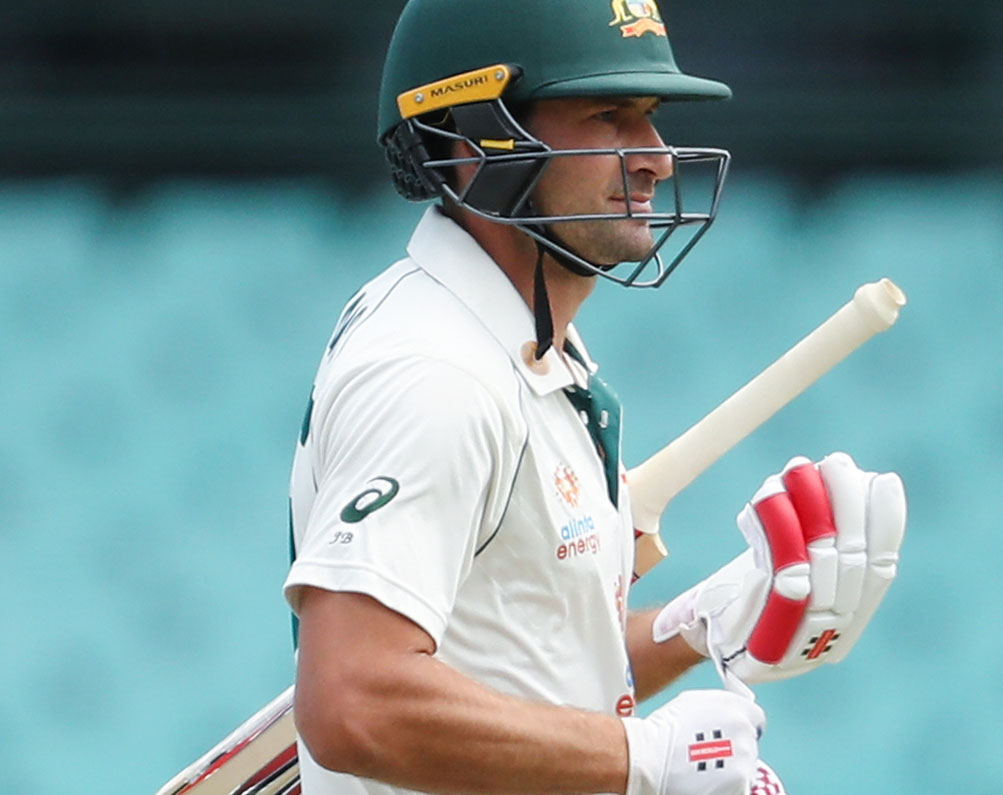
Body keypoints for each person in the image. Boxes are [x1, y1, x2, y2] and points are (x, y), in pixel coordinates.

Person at [282, 1, 907, 794]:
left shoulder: (522, 344)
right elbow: (352, 702)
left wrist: (699, 620)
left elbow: (526, 668)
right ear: (476, 140)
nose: (657, 159)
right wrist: (644, 758)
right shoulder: (437, 374)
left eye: (650, 116)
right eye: (609, 116)